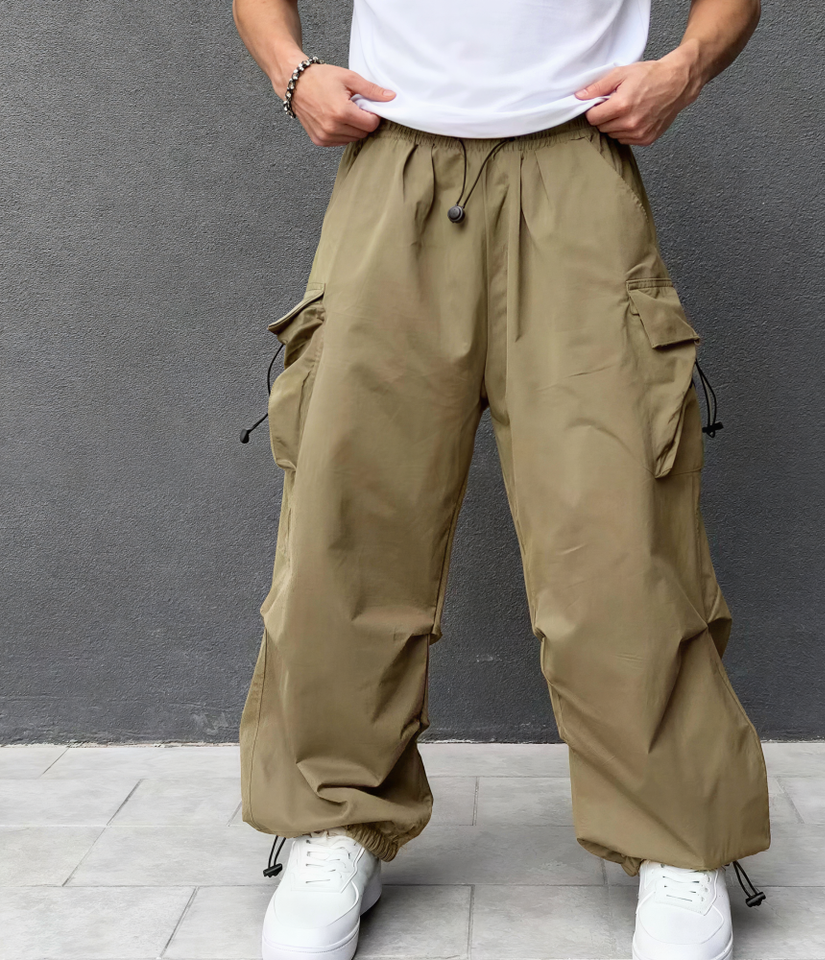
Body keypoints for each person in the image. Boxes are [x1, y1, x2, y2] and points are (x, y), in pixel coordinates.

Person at [232, 1, 770, 958]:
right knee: (349, 514)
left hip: (576, 165)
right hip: (392, 162)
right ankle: (333, 818)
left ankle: (677, 838)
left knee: (618, 528)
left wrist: (684, 67)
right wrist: (291, 72)